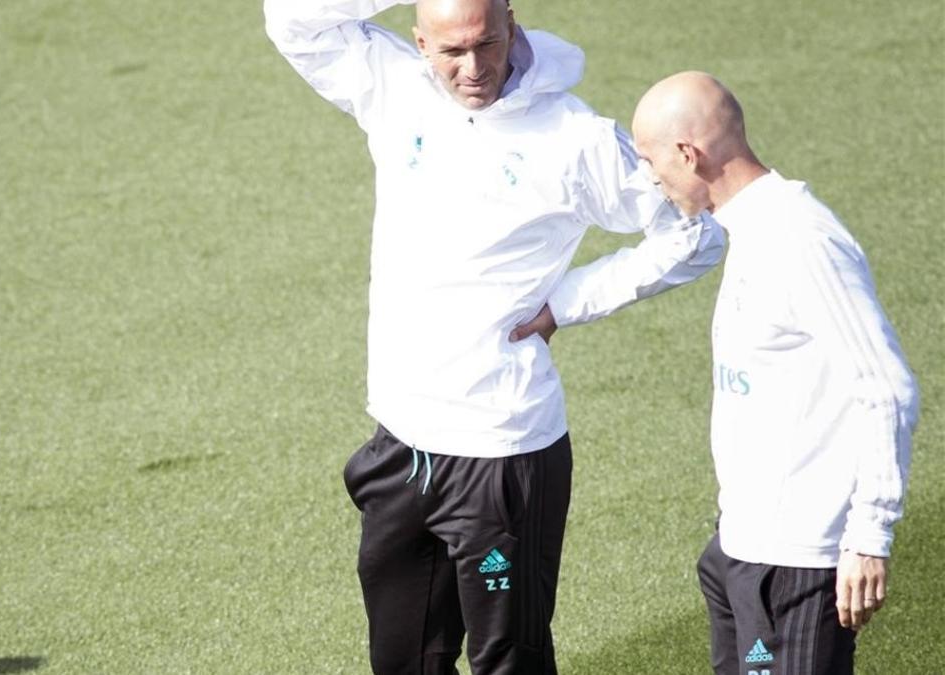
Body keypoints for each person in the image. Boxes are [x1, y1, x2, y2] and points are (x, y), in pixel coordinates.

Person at [265, 1, 725, 671]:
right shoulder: (392, 85)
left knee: (512, 662)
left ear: (511, 23)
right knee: (402, 660)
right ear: (420, 42)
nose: (473, 68)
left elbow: (696, 232)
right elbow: (290, 19)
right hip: (402, 442)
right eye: (451, 52)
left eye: (486, 43)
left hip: (503, 453)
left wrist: (568, 302)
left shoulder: (575, 138)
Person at [631, 71, 920, 675]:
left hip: (796, 561)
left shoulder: (800, 239)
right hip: (742, 545)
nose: (648, 177)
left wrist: (870, 533)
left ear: (689, 154)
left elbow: (886, 387)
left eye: (649, 159)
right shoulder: (749, 228)